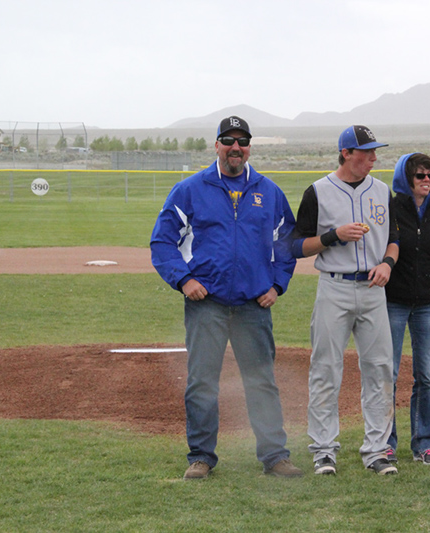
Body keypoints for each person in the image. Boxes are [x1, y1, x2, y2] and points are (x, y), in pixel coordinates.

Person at [150, 116, 303, 479]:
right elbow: (162, 242)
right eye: (228, 140)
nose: (236, 147)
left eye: (243, 141)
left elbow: (287, 244)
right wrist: (184, 279)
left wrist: (277, 284)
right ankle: (201, 457)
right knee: (203, 381)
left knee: (261, 380)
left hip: (253, 304)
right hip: (208, 304)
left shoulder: (269, 192)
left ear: (249, 147)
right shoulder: (190, 190)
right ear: (216, 145)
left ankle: (275, 456)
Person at [291, 125, 400, 476]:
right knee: (325, 368)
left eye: (374, 152)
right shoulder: (318, 191)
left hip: (373, 288)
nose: (373, 158)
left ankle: (376, 450)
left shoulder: (382, 191)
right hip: (334, 287)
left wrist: (387, 263)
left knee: (381, 368)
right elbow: (298, 246)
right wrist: (332, 236)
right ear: (346, 154)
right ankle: (324, 450)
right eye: (366, 152)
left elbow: (393, 239)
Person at [385, 152, 430, 466]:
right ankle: (385, 443)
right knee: (389, 374)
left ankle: (424, 444)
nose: (426, 181)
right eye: (419, 175)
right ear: (404, 178)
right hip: (393, 302)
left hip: (427, 303)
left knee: (425, 375)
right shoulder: (390, 209)